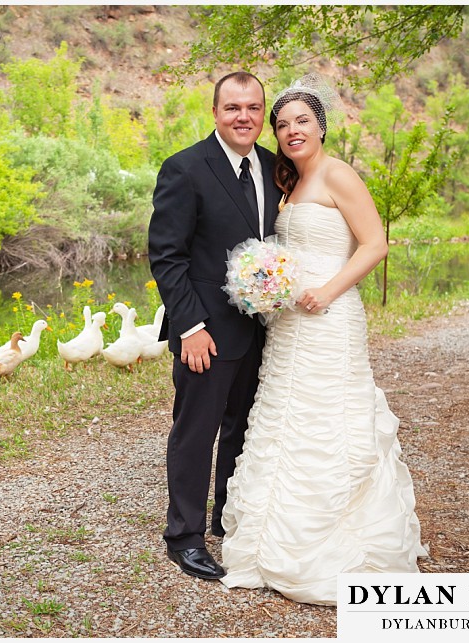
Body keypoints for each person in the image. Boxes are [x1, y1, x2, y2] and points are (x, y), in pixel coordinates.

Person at [219, 74, 427, 605]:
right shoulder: (287, 184)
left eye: (302, 121)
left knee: (327, 418)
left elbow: (375, 244)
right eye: (282, 123)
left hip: (330, 317)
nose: (291, 131)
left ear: (321, 126)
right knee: (284, 415)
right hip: (289, 323)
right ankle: (272, 537)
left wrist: (328, 291)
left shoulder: (338, 175)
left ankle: (333, 537)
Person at [148, 71, 283, 580]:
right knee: (195, 431)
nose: (243, 117)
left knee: (243, 431)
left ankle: (227, 519)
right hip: (204, 332)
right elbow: (167, 257)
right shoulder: (184, 168)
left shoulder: (275, 168)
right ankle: (183, 537)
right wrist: (189, 328)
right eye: (233, 108)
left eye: (252, 108)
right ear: (215, 112)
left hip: (261, 329)